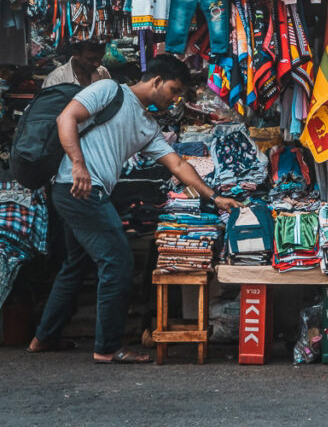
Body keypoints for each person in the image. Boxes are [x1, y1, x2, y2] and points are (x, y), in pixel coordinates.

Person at [28, 55, 241, 363]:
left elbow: (177, 164)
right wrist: (78, 165)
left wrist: (213, 197)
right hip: (78, 188)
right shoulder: (107, 90)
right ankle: (108, 347)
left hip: (83, 191)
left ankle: (43, 339)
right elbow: (66, 118)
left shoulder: (147, 126)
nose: (175, 99)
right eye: (173, 90)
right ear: (155, 81)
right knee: (117, 261)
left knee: (76, 264)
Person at [42, 41, 111, 88]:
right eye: (91, 59)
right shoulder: (56, 79)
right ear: (76, 54)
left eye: (100, 59)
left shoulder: (103, 72)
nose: (97, 64)